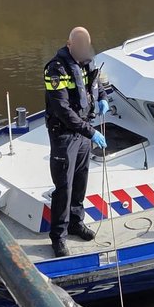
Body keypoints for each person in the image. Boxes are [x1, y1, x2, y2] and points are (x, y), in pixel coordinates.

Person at [43, 27, 109, 258]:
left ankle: (75, 223)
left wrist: (102, 99)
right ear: (69, 44)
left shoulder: (87, 62)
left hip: (83, 133)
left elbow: (96, 85)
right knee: (64, 187)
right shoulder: (55, 69)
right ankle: (58, 237)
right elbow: (61, 109)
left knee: (80, 181)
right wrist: (91, 133)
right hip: (64, 135)